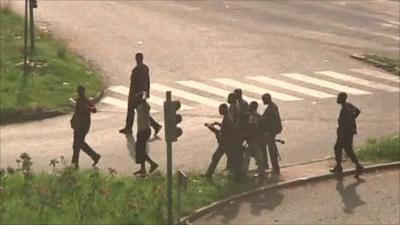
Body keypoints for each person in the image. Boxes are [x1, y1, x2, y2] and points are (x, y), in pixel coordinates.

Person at [120, 53, 162, 136]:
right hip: (142, 94)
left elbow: (134, 84)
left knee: (134, 111)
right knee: (141, 112)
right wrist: (147, 93)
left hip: (136, 94)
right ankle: (155, 125)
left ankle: (129, 128)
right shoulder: (145, 68)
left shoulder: (136, 70)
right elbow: (147, 82)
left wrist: (131, 95)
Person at [330, 92, 364, 177]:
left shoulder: (345, 109)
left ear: (342, 99)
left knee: (338, 147)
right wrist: (353, 118)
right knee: (348, 149)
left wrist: (341, 132)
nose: (337, 99)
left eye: (339, 98)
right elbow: (358, 111)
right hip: (349, 132)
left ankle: (340, 166)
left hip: (345, 133)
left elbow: (345, 123)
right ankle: (357, 165)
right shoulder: (348, 105)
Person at [70, 85, 101, 169]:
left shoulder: (85, 101)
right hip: (78, 125)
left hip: (83, 126)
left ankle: (94, 156)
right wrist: (73, 120)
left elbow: (94, 109)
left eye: (79, 92)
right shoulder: (80, 101)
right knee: (76, 143)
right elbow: (77, 112)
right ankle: (75, 162)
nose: (79, 93)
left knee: (79, 143)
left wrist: (89, 109)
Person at [204, 103, 235, 180]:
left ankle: (209, 174)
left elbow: (221, 132)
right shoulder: (228, 118)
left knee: (216, 157)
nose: (219, 111)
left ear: (225, 110)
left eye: (220, 109)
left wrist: (210, 127)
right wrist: (218, 124)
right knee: (230, 159)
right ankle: (209, 174)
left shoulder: (227, 119)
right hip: (228, 142)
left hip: (225, 143)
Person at [133, 92, 159, 176]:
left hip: (144, 131)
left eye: (137, 98)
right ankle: (143, 169)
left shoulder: (144, 107)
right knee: (140, 149)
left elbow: (144, 98)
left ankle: (152, 164)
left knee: (140, 150)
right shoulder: (141, 106)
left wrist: (142, 97)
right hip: (142, 130)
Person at [261, 93, 282, 175]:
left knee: (272, 149)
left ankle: (275, 168)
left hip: (271, 131)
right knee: (271, 148)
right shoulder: (272, 106)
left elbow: (267, 120)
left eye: (264, 100)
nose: (263, 101)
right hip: (272, 131)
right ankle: (274, 167)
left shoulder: (271, 109)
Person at [244, 101, 267, 177]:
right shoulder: (258, 116)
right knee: (258, 154)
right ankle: (262, 171)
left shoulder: (253, 117)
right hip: (258, 139)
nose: (248, 108)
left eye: (250, 106)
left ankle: (244, 172)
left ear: (252, 107)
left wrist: (246, 135)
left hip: (253, 139)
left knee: (248, 155)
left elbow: (252, 128)